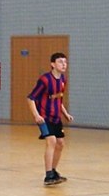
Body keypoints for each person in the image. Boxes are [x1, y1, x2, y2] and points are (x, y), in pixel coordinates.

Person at [27, 52, 74, 186]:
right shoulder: (45, 80)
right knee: (51, 141)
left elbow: (58, 99)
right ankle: (48, 176)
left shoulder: (63, 80)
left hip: (56, 117)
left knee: (60, 143)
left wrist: (65, 113)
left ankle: (53, 171)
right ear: (52, 64)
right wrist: (36, 115)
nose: (64, 64)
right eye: (60, 62)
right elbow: (30, 98)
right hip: (44, 117)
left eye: (65, 62)